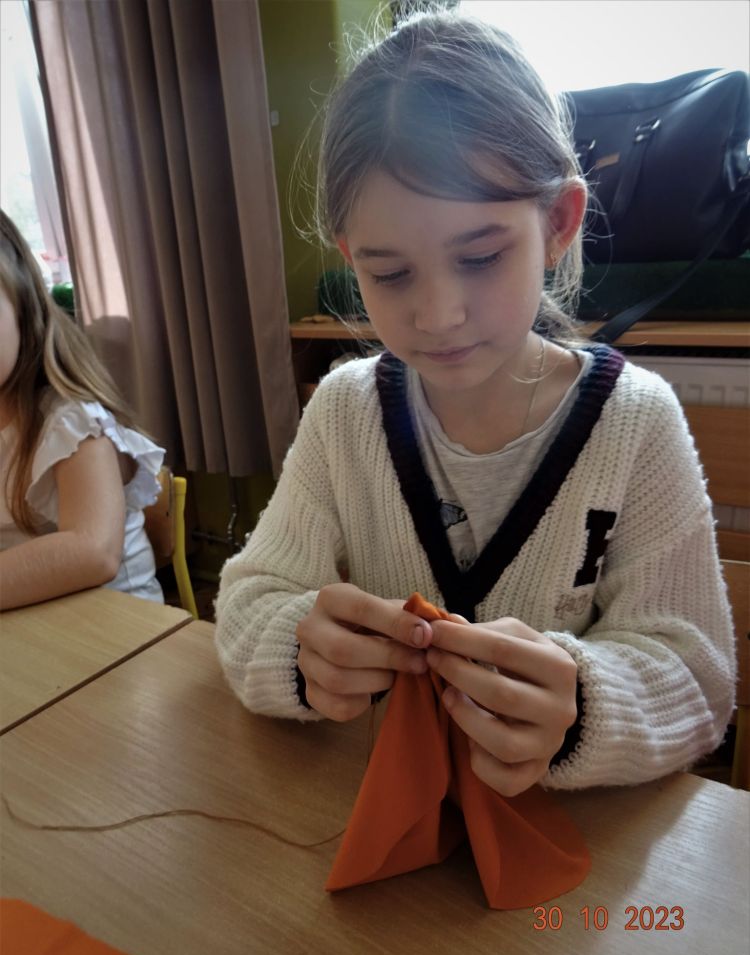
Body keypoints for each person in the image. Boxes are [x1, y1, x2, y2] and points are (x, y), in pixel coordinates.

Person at [215, 11, 735, 795]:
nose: (438, 315)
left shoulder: (635, 423)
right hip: (379, 814)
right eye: (390, 274)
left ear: (558, 223)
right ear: (352, 259)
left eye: (482, 256)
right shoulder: (346, 414)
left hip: (567, 839)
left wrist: (581, 706)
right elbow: (251, 597)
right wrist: (299, 649)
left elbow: (699, 680)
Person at [0, 209, 165, 609]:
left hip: (118, 629)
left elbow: (93, 552)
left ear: (22, 303)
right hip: (32, 624)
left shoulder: (70, 420)